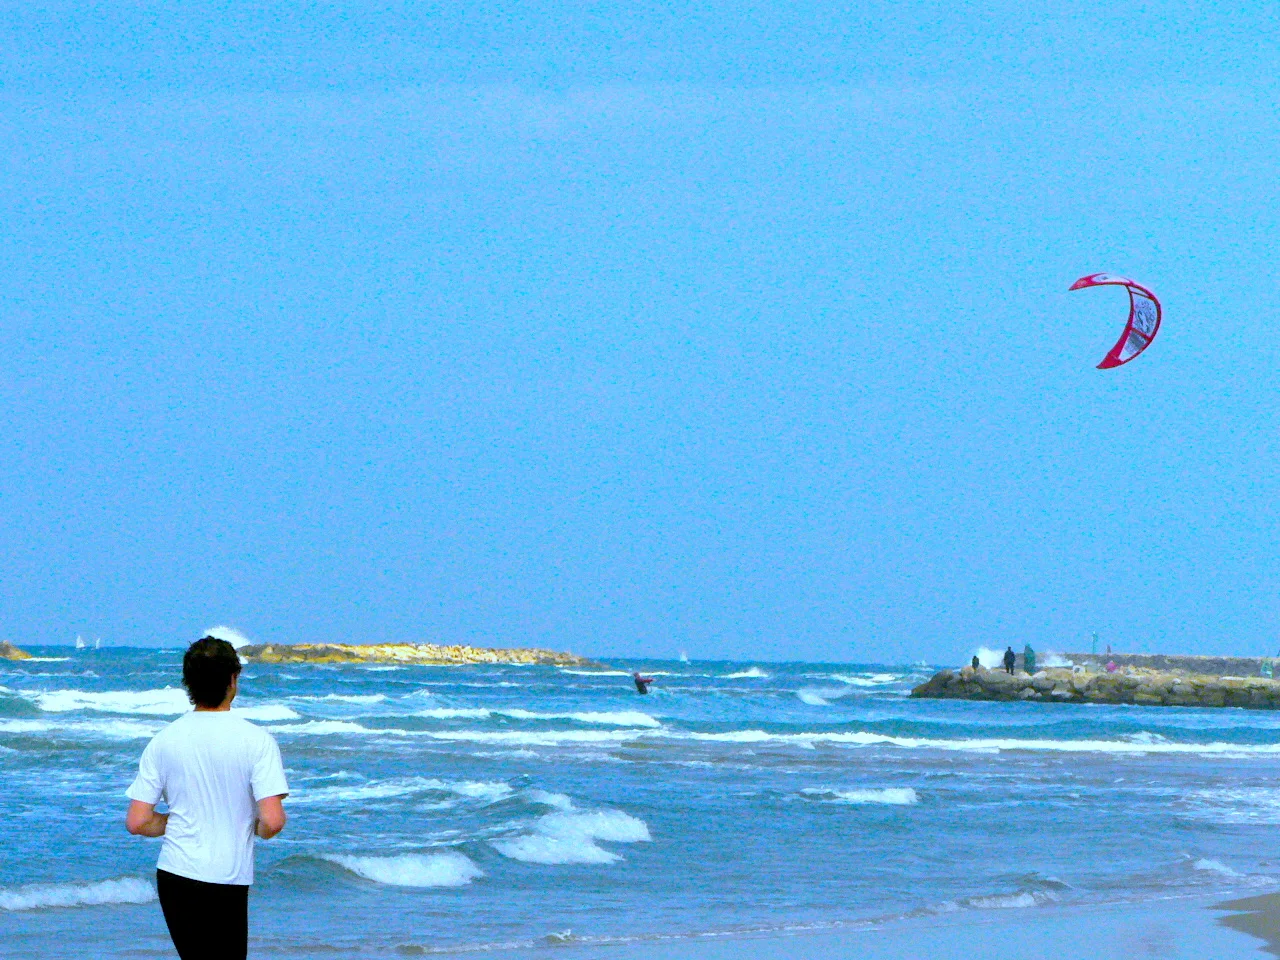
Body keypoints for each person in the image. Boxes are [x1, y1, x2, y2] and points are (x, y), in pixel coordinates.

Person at [125, 637, 289, 960]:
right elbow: (273, 820)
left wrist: (176, 820)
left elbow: (138, 820)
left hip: (174, 877)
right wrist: (252, 826)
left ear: (189, 684)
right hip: (226, 878)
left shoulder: (163, 741)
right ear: (233, 680)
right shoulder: (257, 741)